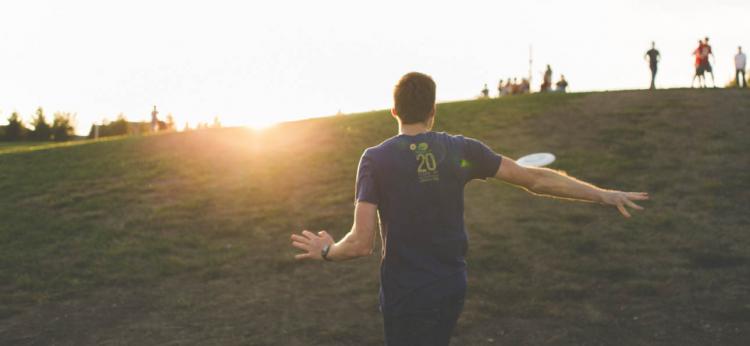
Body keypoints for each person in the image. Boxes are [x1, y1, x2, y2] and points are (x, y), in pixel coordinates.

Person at [290, 72, 649, 346]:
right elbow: (533, 179)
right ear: (433, 111)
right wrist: (601, 194)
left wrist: (326, 251)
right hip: (450, 287)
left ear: (394, 110)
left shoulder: (375, 159)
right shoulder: (460, 149)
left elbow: (360, 243)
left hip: (407, 295)